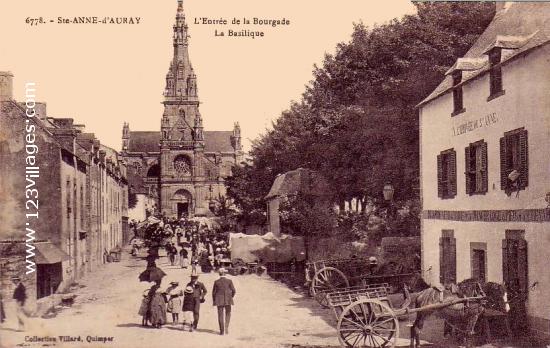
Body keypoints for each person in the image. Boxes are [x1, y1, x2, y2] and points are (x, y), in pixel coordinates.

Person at [212, 268, 236, 335]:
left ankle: (222, 331)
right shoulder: (229, 281)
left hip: (219, 301)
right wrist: (231, 297)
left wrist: (214, 300)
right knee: (228, 314)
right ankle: (226, 328)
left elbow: (213, 293)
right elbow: (234, 290)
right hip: (228, 300)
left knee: (220, 315)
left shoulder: (216, 282)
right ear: (225, 273)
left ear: (219, 274)